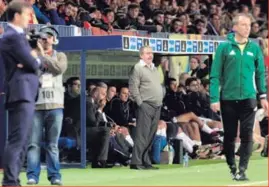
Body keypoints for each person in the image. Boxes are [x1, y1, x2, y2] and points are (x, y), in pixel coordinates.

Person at [210, 13, 268, 181]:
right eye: (243, 25)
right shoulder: (224, 47)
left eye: (249, 25)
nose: (247, 28)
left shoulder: (254, 48)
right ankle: (231, 166)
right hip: (228, 98)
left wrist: (263, 96)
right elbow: (215, 75)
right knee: (229, 135)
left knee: (247, 134)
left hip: (249, 98)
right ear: (234, 27)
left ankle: (242, 169)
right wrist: (214, 98)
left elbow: (260, 74)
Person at [0, 1, 46, 186]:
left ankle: (13, 179)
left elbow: (31, 63)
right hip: (21, 92)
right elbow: (33, 63)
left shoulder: (18, 36)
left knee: (22, 139)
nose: (30, 18)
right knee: (17, 140)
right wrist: (34, 60)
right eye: (27, 14)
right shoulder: (13, 36)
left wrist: (32, 61)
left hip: (24, 92)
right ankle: (10, 181)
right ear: (17, 16)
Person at [26, 26, 67, 185]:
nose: (45, 39)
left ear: (54, 39)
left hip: (55, 105)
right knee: (33, 144)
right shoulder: (31, 55)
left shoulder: (60, 55)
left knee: (52, 145)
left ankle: (55, 176)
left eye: (49, 37)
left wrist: (43, 55)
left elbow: (58, 69)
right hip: (36, 105)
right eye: (43, 37)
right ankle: (32, 176)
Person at [128, 46, 163, 170]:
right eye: (147, 53)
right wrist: (140, 103)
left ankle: (145, 160)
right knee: (142, 134)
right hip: (146, 105)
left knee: (151, 135)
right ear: (141, 55)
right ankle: (136, 162)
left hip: (157, 105)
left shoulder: (153, 68)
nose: (150, 55)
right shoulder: (137, 68)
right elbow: (133, 87)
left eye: (151, 53)